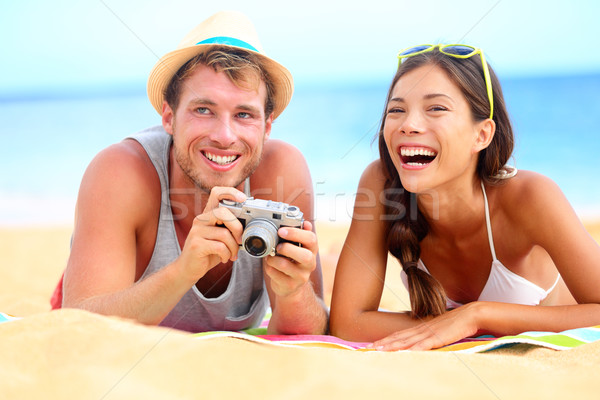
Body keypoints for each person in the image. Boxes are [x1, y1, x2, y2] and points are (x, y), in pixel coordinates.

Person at [51, 11, 328, 335]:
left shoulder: (282, 171)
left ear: (266, 128)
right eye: (203, 109)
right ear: (169, 116)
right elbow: (78, 327)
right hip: (95, 294)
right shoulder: (121, 172)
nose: (225, 136)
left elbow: (309, 332)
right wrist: (184, 270)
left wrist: (294, 293)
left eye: (244, 114)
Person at [329, 44, 600, 350]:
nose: (408, 125)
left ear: (481, 135)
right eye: (396, 110)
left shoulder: (530, 196)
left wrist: (477, 316)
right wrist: (453, 322)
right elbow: (347, 324)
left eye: (436, 108)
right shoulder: (381, 183)